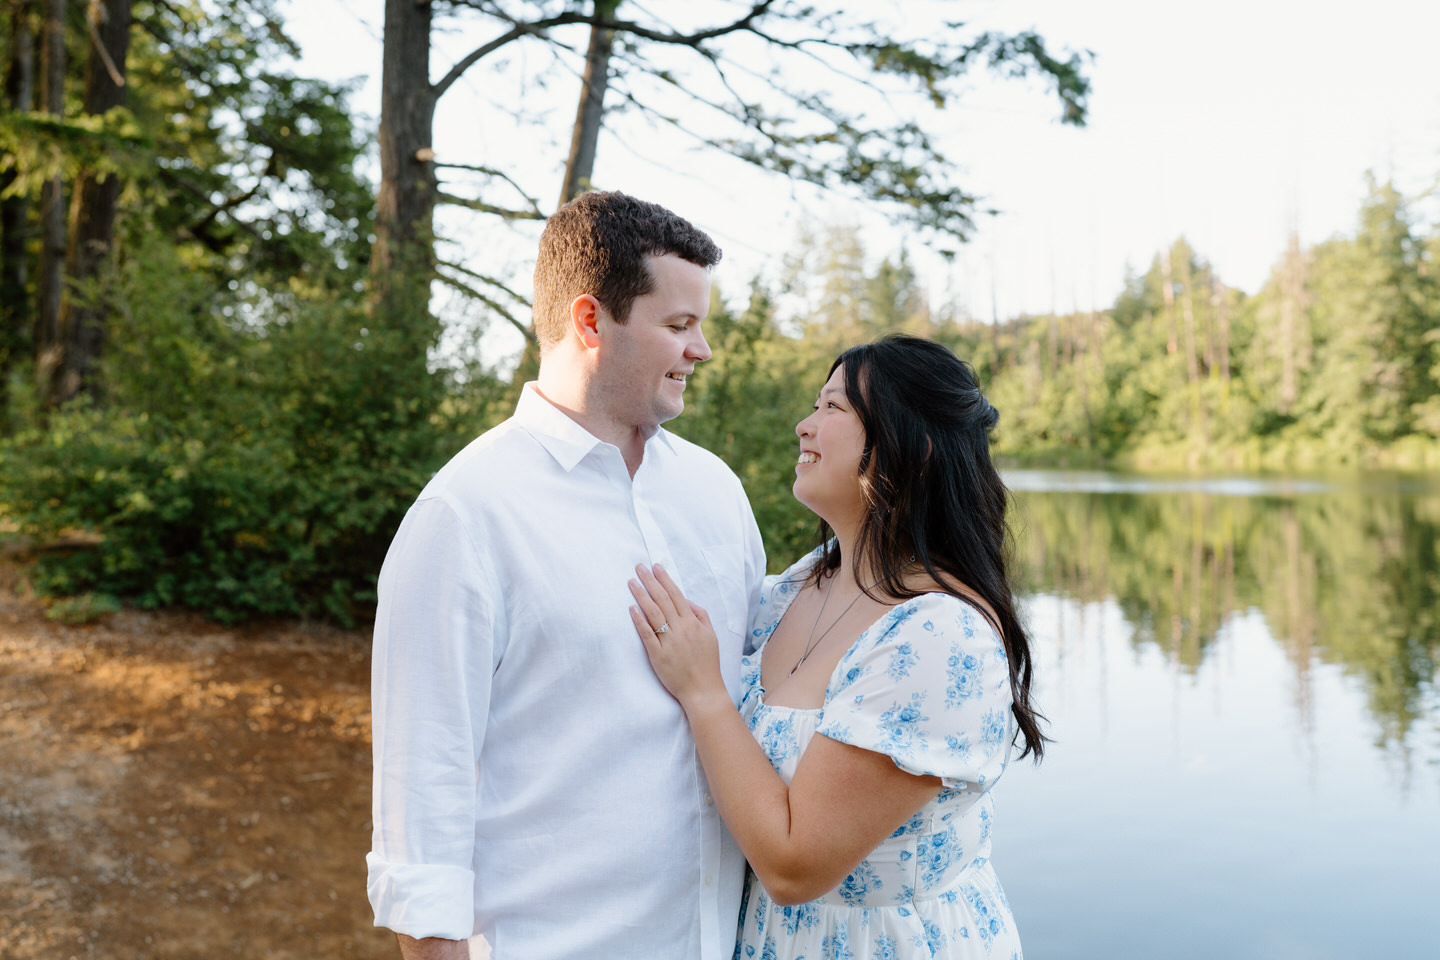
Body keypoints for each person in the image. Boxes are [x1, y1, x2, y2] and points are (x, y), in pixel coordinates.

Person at [367, 190, 765, 960]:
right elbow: (423, 814)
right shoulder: (466, 514)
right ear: (590, 322)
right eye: (679, 325)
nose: (703, 349)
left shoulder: (716, 491)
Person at [627, 334, 1046, 959]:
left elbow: (795, 867)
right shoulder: (800, 584)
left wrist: (704, 692)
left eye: (833, 409)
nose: (804, 425)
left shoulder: (938, 637)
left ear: (914, 447)